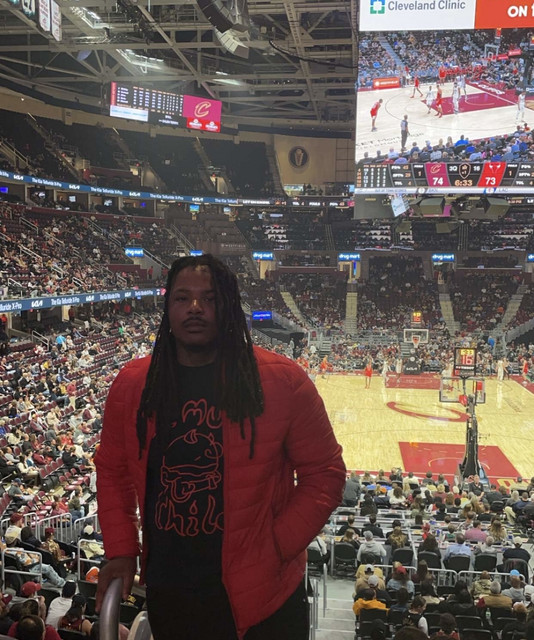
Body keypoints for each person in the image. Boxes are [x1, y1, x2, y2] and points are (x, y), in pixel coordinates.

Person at [94, 254, 346, 640]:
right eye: (182, 298)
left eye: (209, 298)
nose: (195, 307)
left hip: (265, 599)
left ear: (229, 306)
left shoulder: (285, 382)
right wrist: (122, 549)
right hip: (171, 592)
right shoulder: (132, 384)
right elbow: (112, 470)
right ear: (167, 308)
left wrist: (276, 547)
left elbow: (325, 475)